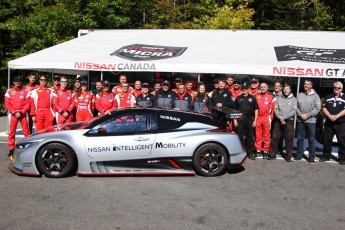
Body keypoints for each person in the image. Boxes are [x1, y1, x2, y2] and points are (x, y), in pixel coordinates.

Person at [296, 79, 321, 164]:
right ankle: (299, 156)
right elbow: (295, 107)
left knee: (311, 139)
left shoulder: (316, 96)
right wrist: (300, 115)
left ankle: (311, 158)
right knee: (300, 139)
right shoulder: (300, 95)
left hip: (311, 121)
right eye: (304, 84)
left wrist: (307, 115)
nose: (305, 85)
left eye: (307, 84)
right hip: (300, 120)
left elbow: (318, 108)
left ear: (311, 86)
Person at [319, 81, 345, 165]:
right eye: (335, 88)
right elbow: (324, 108)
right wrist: (330, 116)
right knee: (327, 140)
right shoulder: (328, 96)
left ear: (342, 89)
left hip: (340, 123)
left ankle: (342, 158)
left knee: (342, 141)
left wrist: (336, 116)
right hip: (329, 123)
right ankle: (326, 155)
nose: (336, 89)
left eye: (338, 88)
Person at [269, 83, 297, 162]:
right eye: (284, 89)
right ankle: (272, 154)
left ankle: (288, 156)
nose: (286, 90)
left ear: (290, 90)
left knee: (289, 138)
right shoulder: (278, 98)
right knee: (275, 137)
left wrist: (284, 117)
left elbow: (293, 111)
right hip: (278, 120)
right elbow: (275, 109)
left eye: (287, 89)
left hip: (289, 121)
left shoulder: (294, 99)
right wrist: (280, 117)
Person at [5, 75, 31, 157]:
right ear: (13, 82)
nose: (17, 82)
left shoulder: (26, 92)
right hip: (13, 114)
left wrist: (22, 112)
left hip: (23, 114)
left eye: (19, 81)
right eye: (16, 81)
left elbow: (28, 104)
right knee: (12, 132)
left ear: (21, 82)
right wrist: (13, 112)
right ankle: (11, 148)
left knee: (26, 132)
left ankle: (28, 147)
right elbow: (7, 104)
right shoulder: (9, 91)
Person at [233, 82, 258, 160]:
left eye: (246, 88)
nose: (244, 89)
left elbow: (256, 110)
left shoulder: (253, 98)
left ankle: (250, 152)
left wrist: (255, 120)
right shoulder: (238, 98)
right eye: (243, 88)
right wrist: (235, 120)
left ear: (248, 89)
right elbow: (234, 110)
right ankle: (240, 152)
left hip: (250, 119)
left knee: (250, 137)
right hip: (240, 119)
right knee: (240, 137)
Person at [254, 82, 275, 159]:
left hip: (266, 117)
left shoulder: (271, 96)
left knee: (266, 135)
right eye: (261, 87)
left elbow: (273, 108)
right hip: (259, 117)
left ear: (267, 88)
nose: (263, 88)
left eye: (264, 87)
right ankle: (258, 150)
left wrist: (271, 117)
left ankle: (265, 150)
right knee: (258, 134)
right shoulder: (256, 96)